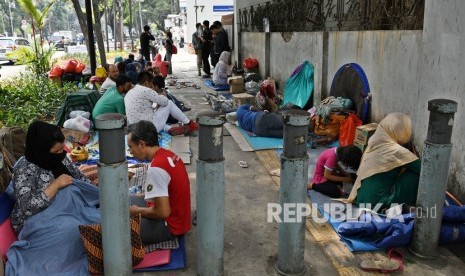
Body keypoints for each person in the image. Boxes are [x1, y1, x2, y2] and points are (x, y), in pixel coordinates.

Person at [10, 121, 91, 234]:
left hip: (65, 208)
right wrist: (55, 185)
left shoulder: (60, 157)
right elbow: (27, 208)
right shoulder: (24, 170)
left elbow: (79, 177)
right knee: (76, 229)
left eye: (62, 148)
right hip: (34, 221)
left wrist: (93, 193)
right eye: (56, 150)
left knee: (96, 213)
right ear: (42, 150)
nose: (61, 153)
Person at [127, 121, 191, 243]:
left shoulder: (156, 169)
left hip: (171, 226)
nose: (130, 152)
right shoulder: (169, 155)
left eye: (130, 147)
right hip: (180, 218)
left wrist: (138, 211)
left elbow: (163, 212)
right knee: (127, 201)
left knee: (117, 232)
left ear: (141, 144)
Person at [348, 112, 420, 210]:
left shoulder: (373, 142)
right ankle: (401, 205)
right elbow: (424, 170)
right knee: (415, 175)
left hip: (360, 199)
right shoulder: (396, 151)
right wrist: (413, 158)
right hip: (377, 204)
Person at [124, 71, 198, 135]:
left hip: (135, 131)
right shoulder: (146, 90)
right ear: (146, 83)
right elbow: (164, 102)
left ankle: (169, 129)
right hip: (148, 130)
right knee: (169, 103)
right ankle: (189, 123)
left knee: (155, 114)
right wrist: (160, 94)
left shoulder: (128, 93)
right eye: (151, 84)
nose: (151, 86)